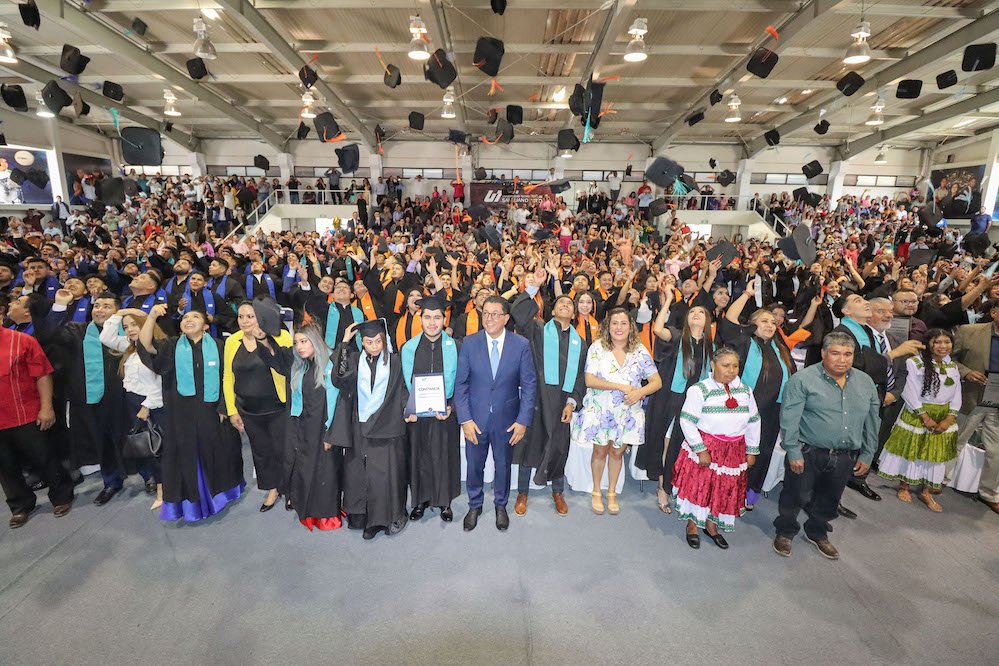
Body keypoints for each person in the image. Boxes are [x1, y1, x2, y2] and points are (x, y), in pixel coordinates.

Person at [773, 332, 880, 560]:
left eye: (847, 354)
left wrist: (868, 452)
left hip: (845, 456)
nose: (842, 360)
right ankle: (785, 531)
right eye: (835, 353)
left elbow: (872, 420)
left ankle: (817, 531)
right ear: (823, 353)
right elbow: (789, 418)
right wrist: (792, 450)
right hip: (807, 452)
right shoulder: (803, 380)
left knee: (830, 498)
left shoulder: (865, 382)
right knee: (795, 495)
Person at [137, 305, 245, 522]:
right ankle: (192, 502)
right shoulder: (171, 346)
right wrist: (152, 316)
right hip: (180, 413)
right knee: (185, 456)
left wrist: (224, 406)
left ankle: (223, 494)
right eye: (185, 317)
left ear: (205, 326)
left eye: (195, 316)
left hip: (212, 411)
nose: (188, 319)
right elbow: (146, 345)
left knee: (218, 451)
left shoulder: (219, 346)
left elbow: (228, 377)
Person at [454, 296, 537, 532]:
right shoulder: (470, 343)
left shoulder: (520, 345)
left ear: (506, 318)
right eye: (485, 313)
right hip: (475, 419)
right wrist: (465, 419)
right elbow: (461, 384)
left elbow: (529, 385)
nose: (489, 318)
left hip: (507, 420)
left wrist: (523, 421)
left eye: (495, 314)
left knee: (503, 465)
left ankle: (501, 504)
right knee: (474, 465)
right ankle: (475, 504)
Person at [256, 322, 344, 531]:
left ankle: (326, 515)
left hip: (323, 426)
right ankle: (307, 507)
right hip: (303, 425)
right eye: (296, 343)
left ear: (315, 341)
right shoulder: (300, 365)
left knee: (324, 471)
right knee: (304, 466)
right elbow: (274, 358)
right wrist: (263, 338)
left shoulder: (330, 365)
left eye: (304, 341)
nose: (299, 347)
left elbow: (337, 402)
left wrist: (331, 433)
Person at [573, 307, 661, 515]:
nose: (619, 327)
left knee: (617, 452)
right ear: (608, 326)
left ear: (631, 327)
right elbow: (589, 380)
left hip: (627, 412)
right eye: (614, 323)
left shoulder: (639, 350)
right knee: (600, 451)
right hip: (601, 410)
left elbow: (656, 381)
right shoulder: (597, 347)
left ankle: (611, 492)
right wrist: (621, 387)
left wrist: (639, 392)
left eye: (623, 323)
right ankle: (596, 491)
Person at [328, 319, 410, 540]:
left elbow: (403, 389)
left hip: (387, 425)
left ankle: (384, 519)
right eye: (368, 342)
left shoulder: (395, 361)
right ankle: (363, 518)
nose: (374, 346)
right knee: (360, 473)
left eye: (378, 341)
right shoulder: (355, 360)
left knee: (384, 475)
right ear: (362, 342)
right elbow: (338, 380)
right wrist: (345, 343)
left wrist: (409, 409)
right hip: (360, 425)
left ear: (384, 340)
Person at [672, 347, 761, 549]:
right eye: (725, 365)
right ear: (713, 365)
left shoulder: (746, 391)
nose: (731, 370)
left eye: (735, 366)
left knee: (723, 489)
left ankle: (711, 525)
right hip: (708, 446)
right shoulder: (700, 390)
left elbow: (754, 421)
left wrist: (751, 449)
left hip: (734, 450)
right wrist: (700, 449)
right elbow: (687, 420)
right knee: (700, 486)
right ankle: (693, 525)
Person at [509, 293, 587, 517]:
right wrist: (532, 287)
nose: (565, 305)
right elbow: (519, 314)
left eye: (569, 304)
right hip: (537, 399)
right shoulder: (538, 330)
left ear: (574, 314)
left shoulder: (580, 343)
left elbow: (580, 376)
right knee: (529, 445)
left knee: (559, 447)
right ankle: (523, 492)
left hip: (562, 402)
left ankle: (558, 492)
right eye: (560, 303)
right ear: (552, 311)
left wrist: (572, 402)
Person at [47, 289, 127, 504]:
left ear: (118, 311)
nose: (99, 310)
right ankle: (111, 482)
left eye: (106, 306)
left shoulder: (128, 329)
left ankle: (150, 477)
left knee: (134, 435)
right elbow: (50, 334)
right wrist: (60, 305)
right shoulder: (78, 331)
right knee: (103, 441)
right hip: (93, 397)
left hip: (125, 396)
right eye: (97, 306)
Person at [721, 285, 797, 511]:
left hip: (772, 412)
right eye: (764, 321)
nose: (770, 325)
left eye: (773, 322)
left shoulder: (779, 348)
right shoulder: (745, 343)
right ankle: (727, 491)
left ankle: (748, 491)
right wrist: (746, 294)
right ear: (752, 324)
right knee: (738, 453)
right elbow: (730, 320)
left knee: (761, 453)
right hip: (745, 410)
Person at [637, 298, 712, 513]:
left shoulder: (710, 346)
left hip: (692, 402)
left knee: (679, 444)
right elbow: (657, 329)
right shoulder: (677, 336)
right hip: (668, 397)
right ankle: (662, 485)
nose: (696, 314)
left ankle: (670, 482)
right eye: (692, 311)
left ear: (707, 321)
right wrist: (668, 300)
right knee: (664, 439)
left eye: (701, 312)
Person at [877, 329, 961, 511]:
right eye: (937, 342)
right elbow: (909, 391)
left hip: (943, 415)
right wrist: (924, 416)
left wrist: (949, 418)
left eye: (947, 342)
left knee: (934, 454)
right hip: (918, 413)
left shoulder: (953, 366)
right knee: (912, 450)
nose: (943, 346)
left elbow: (956, 394)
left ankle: (925, 491)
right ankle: (904, 486)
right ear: (928, 344)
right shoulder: (915, 362)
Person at [0, 325, 74, 528]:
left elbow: (42, 374)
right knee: (5, 467)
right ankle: (20, 505)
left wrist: (47, 407)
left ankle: (61, 496)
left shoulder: (22, 340)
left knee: (45, 457)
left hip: (26, 413)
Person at [223, 301, 292, 512]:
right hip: (248, 409)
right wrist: (231, 410)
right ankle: (272, 488)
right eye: (241, 316)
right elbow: (228, 377)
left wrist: (265, 340)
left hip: (278, 406)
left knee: (284, 450)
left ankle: (290, 489)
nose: (245, 321)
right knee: (261, 452)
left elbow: (289, 368)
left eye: (250, 316)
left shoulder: (280, 336)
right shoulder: (232, 341)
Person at [400, 293, 461, 523]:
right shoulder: (408, 349)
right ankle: (420, 501)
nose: (432, 322)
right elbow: (400, 383)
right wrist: (407, 408)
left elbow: (463, 382)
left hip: (444, 413)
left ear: (444, 319)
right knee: (419, 456)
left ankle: (444, 502)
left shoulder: (456, 347)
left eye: (437, 317)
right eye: (427, 317)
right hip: (417, 415)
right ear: (420, 319)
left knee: (443, 455)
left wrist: (451, 406)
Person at [99, 307, 166, 510]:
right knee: (147, 446)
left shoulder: (156, 346)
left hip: (152, 403)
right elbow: (105, 337)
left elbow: (162, 380)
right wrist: (120, 313)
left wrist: (147, 405)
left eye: (134, 324)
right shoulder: (129, 346)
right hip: (132, 402)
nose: (130, 330)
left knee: (158, 448)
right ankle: (161, 486)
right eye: (126, 327)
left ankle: (163, 491)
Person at [950, 300, 999, 514]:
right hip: (970, 396)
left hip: (997, 403)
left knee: (996, 452)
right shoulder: (968, 331)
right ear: (994, 312)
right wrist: (966, 372)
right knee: (956, 440)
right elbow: (948, 358)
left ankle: (989, 493)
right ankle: (939, 479)